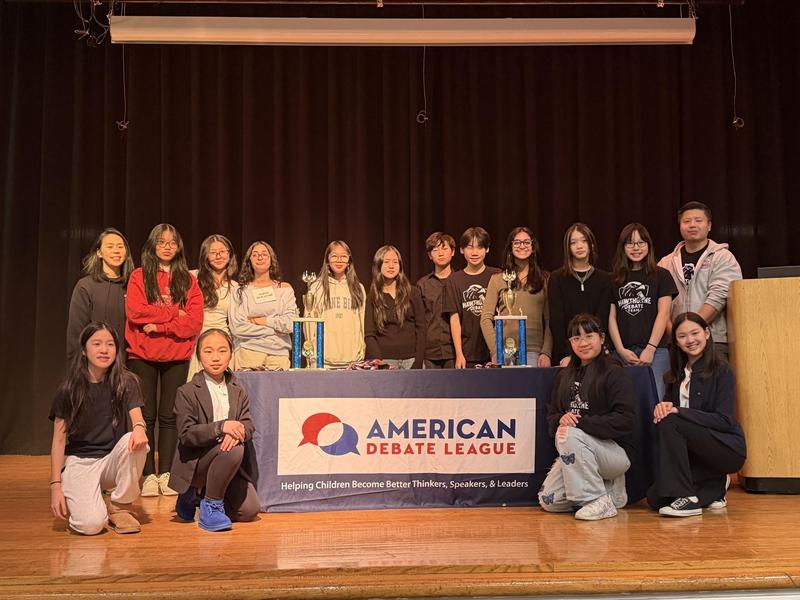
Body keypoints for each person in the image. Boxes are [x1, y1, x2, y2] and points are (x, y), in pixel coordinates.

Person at [125, 223, 204, 497]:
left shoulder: (188, 279)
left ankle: (166, 473)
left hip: (176, 354)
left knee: (169, 415)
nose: (167, 246)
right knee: (145, 416)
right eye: (162, 242)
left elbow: (194, 322)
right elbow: (135, 312)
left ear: (179, 246)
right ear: (152, 246)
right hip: (142, 353)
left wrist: (160, 325)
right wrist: (175, 313)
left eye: (172, 242)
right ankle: (147, 474)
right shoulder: (139, 276)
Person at [49, 322, 149, 535]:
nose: (104, 350)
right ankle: (93, 499)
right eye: (96, 344)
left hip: (112, 460)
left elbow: (137, 418)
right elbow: (58, 441)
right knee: (91, 526)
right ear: (84, 350)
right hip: (81, 462)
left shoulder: (127, 381)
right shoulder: (69, 390)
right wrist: (55, 486)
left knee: (138, 441)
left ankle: (120, 506)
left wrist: (140, 428)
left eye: (110, 344)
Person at [647, 312, 746, 517]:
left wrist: (678, 411)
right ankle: (716, 486)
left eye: (695, 333)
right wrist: (661, 408)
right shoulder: (674, 375)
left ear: (707, 333)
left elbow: (725, 420)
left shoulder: (722, 370)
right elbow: (671, 421)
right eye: (682, 336)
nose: (690, 340)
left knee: (672, 420)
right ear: (676, 341)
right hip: (694, 456)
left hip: (725, 447)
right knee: (655, 499)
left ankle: (689, 499)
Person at [538, 314, 636, 521]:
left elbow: (626, 420)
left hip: (615, 454)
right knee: (549, 501)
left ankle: (597, 500)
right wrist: (561, 419)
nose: (583, 343)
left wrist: (580, 424)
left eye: (588, 336)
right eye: (576, 338)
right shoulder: (564, 375)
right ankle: (609, 492)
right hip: (578, 449)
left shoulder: (614, 372)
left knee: (569, 434)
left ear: (601, 338)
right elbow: (553, 415)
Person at [169, 329, 260, 531]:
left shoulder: (238, 390)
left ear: (231, 353)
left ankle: (198, 498)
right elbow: (187, 434)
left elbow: (248, 424)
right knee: (234, 448)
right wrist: (221, 427)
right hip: (196, 462)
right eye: (208, 351)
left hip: (226, 463)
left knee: (249, 510)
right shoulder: (187, 391)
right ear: (199, 355)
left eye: (222, 351)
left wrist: (238, 431)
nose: (216, 358)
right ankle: (210, 505)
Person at [658, 202, 742, 360]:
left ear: (709, 225)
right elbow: (659, 303)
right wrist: (676, 333)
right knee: (681, 384)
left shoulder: (723, 257)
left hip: (713, 340)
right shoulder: (665, 262)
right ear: (680, 226)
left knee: (714, 384)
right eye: (687, 221)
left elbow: (719, 295)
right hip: (676, 343)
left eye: (698, 220)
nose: (692, 225)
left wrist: (690, 330)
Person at [608, 223, 677, 401]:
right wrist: (620, 349)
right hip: (623, 353)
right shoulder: (613, 279)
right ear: (622, 247)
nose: (636, 248)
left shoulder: (662, 275)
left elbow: (663, 314)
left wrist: (650, 349)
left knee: (657, 402)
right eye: (630, 243)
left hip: (657, 352)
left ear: (649, 245)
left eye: (641, 242)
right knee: (625, 403)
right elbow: (611, 317)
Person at [480, 226, 552, 367]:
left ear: (533, 247)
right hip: (504, 352)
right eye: (517, 242)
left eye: (526, 242)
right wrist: (495, 351)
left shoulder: (544, 280)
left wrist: (546, 352)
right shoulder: (497, 279)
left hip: (533, 352)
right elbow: (485, 318)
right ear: (510, 247)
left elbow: (550, 320)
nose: (522, 246)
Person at [547, 223, 614, 367]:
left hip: (596, 352)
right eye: (573, 242)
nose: (579, 246)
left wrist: (594, 349)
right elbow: (557, 321)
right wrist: (566, 354)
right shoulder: (556, 278)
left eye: (584, 241)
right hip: (567, 355)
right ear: (567, 248)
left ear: (591, 245)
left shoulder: (604, 278)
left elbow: (602, 317)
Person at [66, 228, 135, 365]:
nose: (116, 251)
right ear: (99, 253)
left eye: (120, 247)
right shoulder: (86, 286)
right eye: (110, 246)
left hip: (126, 366)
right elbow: (76, 331)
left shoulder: (134, 286)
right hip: (94, 366)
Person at [229, 241, 297, 371]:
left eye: (264, 254)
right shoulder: (241, 291)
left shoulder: (285, 289)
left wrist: (264, 321)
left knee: (280, 391)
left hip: (279, 353)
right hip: (249, 351)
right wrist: (274, 330)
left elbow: (291, 323)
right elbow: (237, 327)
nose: (260, 257)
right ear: (249, 261)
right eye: (255, 255)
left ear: (272, 259)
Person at [443, 227, 501, 368]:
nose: (474, 253)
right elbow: (454, 318)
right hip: (467, 353)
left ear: (487, 249)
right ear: (462, 250)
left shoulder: (497, 275)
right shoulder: (454, 280)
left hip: (495, 350)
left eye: (480, 247)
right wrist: (459, 354)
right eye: (470, 247)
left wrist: (498, 351)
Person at [306, 240, 366, 369]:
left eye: (343, 256)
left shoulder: (358, 288)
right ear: (327, 260)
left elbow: (363, 322)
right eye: (334, 256)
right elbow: (309, 323)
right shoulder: (316, 288)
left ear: (349, 260)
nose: (339, 260)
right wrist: (311, 355)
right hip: (323, 360)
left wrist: (362, 350)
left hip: (352, 361)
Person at [364, 245, 426, 369]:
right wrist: (380, 362)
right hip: (385, 360)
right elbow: (369, 334)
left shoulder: (413, 292)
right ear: (379, 265)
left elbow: (421, 328)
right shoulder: (373, 296)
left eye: (395, 262)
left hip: (412, 359)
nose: (391, 266)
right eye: (386, 262)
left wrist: (418, 361)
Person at [187, 234, 239, 379]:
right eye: (213, 252)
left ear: (230, 255)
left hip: (223, 341)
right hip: (197, 340)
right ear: (205, 256)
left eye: (222, 251)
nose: (218, 256)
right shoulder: (192, 277)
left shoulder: (235, 287)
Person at [416, 232, 457, 369]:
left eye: (444, 248)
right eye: (435, 249)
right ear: (429, 255)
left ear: (453, 252)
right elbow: (419, 320)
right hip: (429, 351)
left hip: (455, 351)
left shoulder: (460, 281)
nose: (440, 253)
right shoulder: (423, 284)